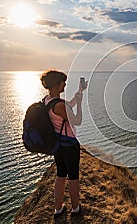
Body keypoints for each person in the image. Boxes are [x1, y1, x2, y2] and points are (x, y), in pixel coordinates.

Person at [40, 69, 87, 219]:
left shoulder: (47, 100)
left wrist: (79, 93)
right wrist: (79, 104)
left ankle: (58, 209)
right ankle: (75, 209)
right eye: (63, 83)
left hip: (58, 146)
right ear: (56, 85)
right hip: (69, 145)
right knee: (73, 177)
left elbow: (67, 106)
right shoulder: (59, 105)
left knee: (61, 175)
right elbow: (77, 120)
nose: (65, 85)